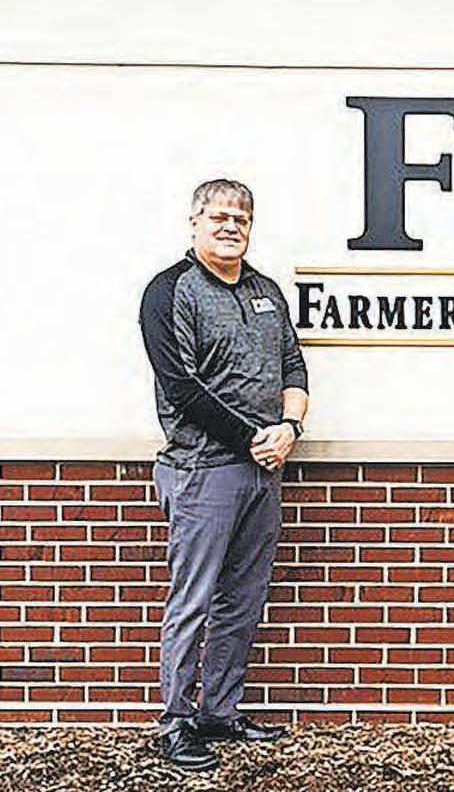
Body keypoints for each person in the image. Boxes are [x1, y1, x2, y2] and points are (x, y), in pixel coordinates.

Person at [139, 179, 309, 771]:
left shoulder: (265, 290)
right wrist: (254, 438)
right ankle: (176, 722)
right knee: (193, 600)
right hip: (202, 472)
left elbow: (293, 366)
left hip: (264, 471)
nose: (231, 226)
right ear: (194, 223)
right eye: (219, 217)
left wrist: (290, 428)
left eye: (241, 218)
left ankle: (219, 711)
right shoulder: (170, 291)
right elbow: (181, 387)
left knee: (243, 598)